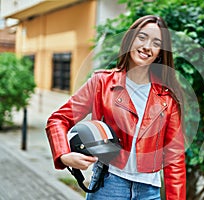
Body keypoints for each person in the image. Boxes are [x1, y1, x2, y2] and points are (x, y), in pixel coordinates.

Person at [46, 15, 186, 200]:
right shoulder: (101, 83)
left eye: (155, 42)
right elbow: (58, 119)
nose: (146, 46)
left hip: (149, 191)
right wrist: (64, 155)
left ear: (160, 51)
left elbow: (175, 159)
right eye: (142, 37)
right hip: (109, 185)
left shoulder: (167, 98)